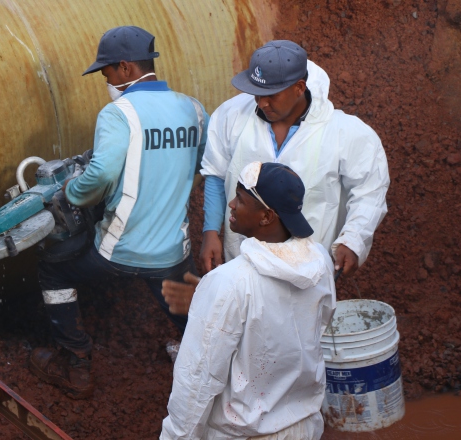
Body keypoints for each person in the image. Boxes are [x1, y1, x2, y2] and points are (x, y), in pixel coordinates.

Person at [28, 26, 209, 399]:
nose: (106, 80)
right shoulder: (194, 109)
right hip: (173, 252)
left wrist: (71, 192)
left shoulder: (118, 113)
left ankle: (75, 362)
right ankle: (217, 370)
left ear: (125, 68)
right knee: (190, 312)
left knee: (53, 272)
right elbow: (195, 166)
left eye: (107, 72)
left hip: (118, 251)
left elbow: (101, 175)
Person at [161, 161, 336, 440]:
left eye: (241, 199)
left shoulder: (231, 282)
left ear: (266, 216)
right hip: (302, 428)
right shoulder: (320, 261)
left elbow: (197, 381)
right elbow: (315, 327)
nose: (231, 204)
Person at [199, 40, 389, 278]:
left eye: (271, 95)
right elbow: (216, 174)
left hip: (309, 269)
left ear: (299, 87)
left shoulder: (345, 133)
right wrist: (210, 232)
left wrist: (353, 240)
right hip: (242, 265)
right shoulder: (231, 116)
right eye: (256, 93)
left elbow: (369, 192)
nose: (261, 102)